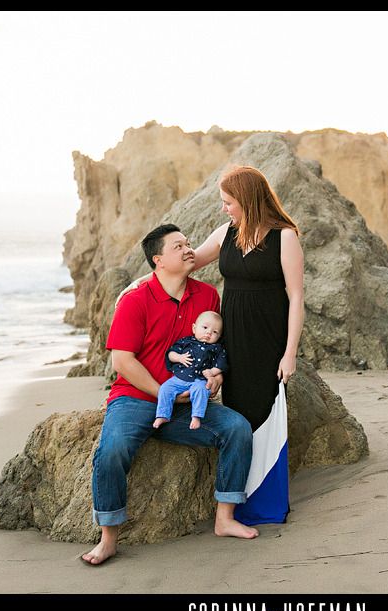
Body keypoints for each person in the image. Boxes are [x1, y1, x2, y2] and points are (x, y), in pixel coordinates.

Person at [121, 165, 304, 526]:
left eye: (228, 202)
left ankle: (264, 503)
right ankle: (237, 503)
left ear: (247, 200)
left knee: (265, 412)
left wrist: (289, 353)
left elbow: (296, 298)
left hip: (268, 339)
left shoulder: (285, 237)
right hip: (232, 339)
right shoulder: (226, 233)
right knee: (238, 412)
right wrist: (140, 282)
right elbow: (186, 263)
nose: (224, 208)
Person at [81, 224, 258, 567]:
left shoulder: (207, 297)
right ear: (158, 260)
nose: (189, 248)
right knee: (112, 450)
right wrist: (162, 392)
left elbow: (215, 349)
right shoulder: (135, 300)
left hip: (188, 405)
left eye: (189, 243)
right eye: (179, 246)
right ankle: (108, 539)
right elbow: (122, 361)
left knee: (237, 428)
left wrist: (216, 376)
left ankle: (224, 518)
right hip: (135, 398)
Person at [153, 310, 228, 431]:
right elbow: (171, 353)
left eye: (215, 332)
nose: (208, 332)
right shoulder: (186, 341)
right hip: (180, 378)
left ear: (219, 337)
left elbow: (221, 364)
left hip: (200, 380)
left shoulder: (217, 348)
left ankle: (196, 417)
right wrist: (179, 357)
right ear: (194, 328)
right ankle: (163, 415)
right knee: (165, 388)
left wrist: (212, 372)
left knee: (201, 390)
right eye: (205, 327)